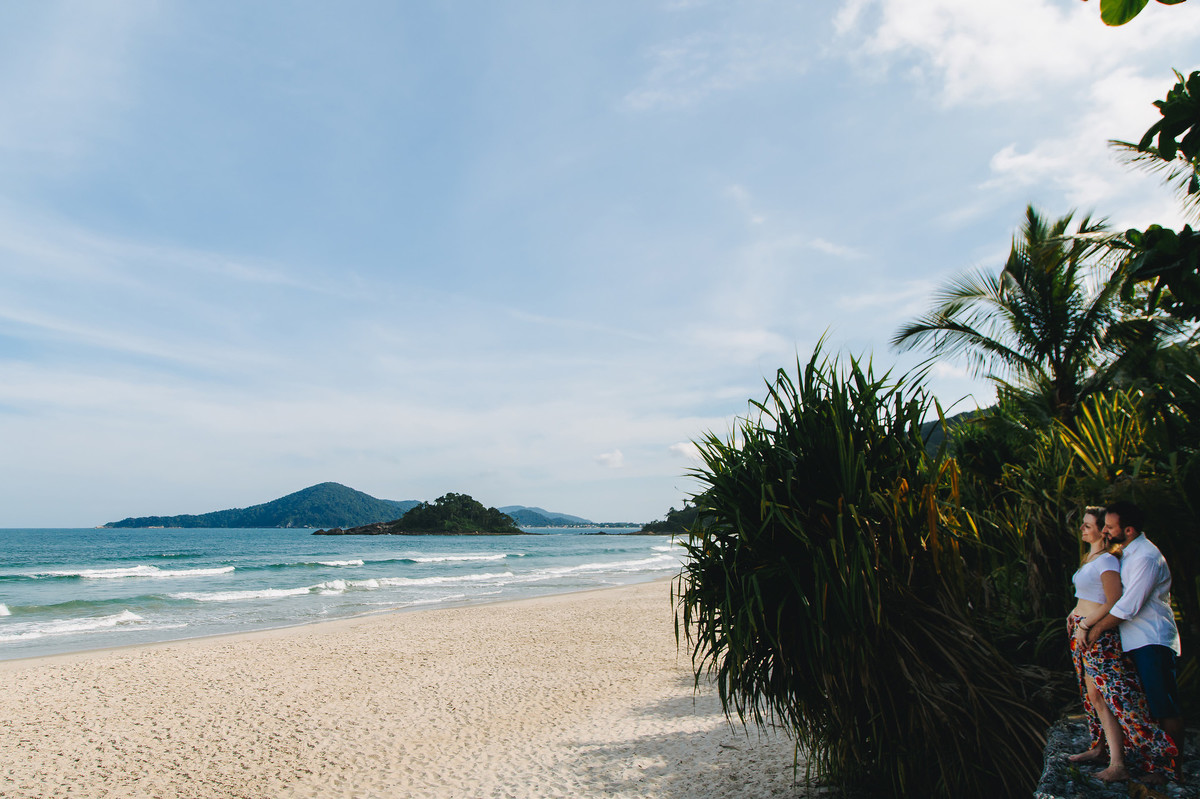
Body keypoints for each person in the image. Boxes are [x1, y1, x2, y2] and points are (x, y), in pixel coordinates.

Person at [1086, 499, 1183, 779]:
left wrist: (1096, 629)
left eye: (1109, 527)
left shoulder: (1146, 557)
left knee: (1164, 706)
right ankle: (1157, 764)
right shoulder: (1128, 552)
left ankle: (1174, 772)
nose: (1105, 531)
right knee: (1148, 707)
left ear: (1128, 530)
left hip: (1152, 639)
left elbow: (1129, 605)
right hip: (1134, 640)